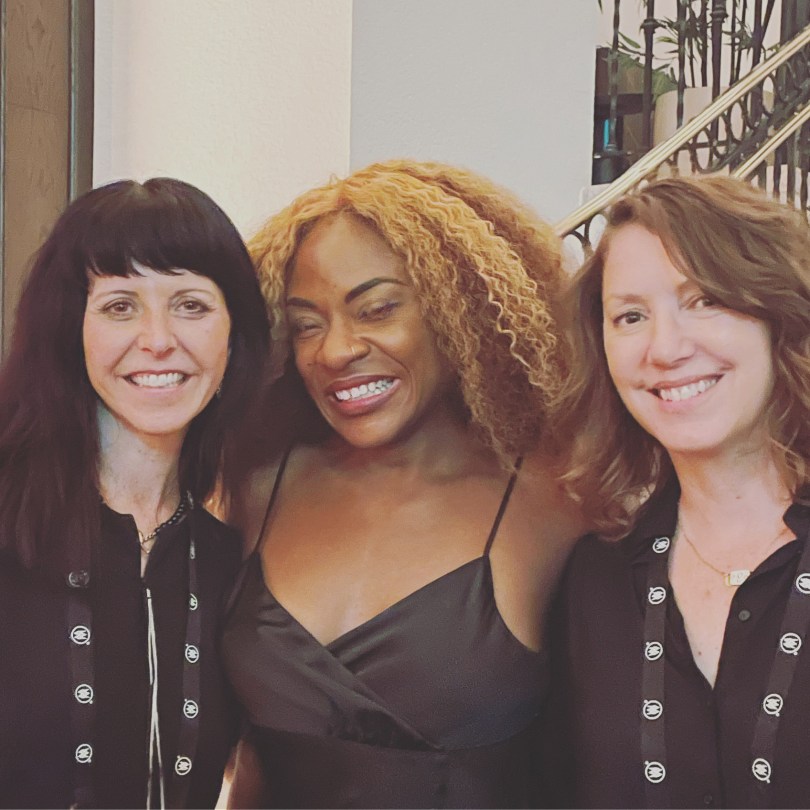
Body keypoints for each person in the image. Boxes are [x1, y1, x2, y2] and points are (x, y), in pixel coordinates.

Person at [222, 159, 582, 808]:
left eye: (378, 309)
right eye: (307, 324)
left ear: (456, 308)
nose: (336, 351)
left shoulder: (555, 503)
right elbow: (251, 760)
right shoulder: (256, 491)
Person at [0, 178, 270, 809]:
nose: (157, 339)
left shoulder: (233, 556)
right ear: (71, 328)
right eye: (120, 305)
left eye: (191, 305)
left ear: (235, 334)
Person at [544, 175, 810, 808]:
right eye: (630, 317)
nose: (664, 349)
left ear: (780, 315)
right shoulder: (595, 577)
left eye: (703, 300)